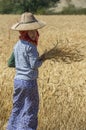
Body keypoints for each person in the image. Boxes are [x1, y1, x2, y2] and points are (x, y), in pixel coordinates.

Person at [7, 12, 46, 130]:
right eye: (31, 31)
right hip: (29, 82)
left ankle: (12, 128)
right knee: (30, 109)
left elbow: (10, 63)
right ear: (24, 32)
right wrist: (43, 59)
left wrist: (21, 65)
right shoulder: (31, 47)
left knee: (17, 107)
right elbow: (34, 65)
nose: (34, 34)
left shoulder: (17, 45)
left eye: (35, 31)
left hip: (18, 81)